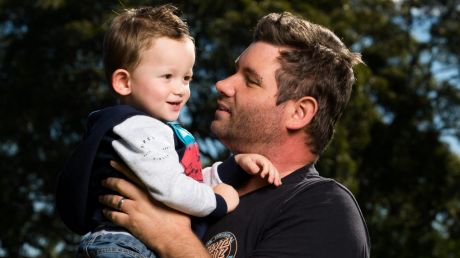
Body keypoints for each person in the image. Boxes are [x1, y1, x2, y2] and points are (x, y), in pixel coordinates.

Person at [99, 10, 371, 258]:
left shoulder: (324, 209)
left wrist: (173, 239)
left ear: (298, 113)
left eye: (250, 80)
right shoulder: (202, 191)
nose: (223, 84)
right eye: (234, 71)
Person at [55, 4, 281, 258]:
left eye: (186, 78)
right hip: (124, 246)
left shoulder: (154, 129)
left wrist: (232, 167)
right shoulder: (139, 129)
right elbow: (171, 188)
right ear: (124, 82)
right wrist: (219, 202)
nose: (181, 89)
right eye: (167, 77)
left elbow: (183, 178)